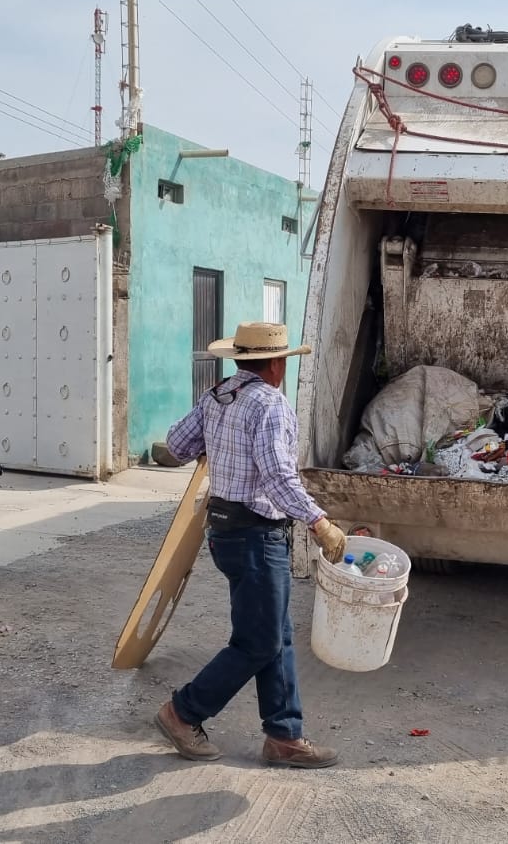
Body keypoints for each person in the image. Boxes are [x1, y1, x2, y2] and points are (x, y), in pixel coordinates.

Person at [155, 321, 349, 769]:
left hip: (225, 530)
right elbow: (279, 478)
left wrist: (216, 442)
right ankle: (182, 712)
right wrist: (319, 523)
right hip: (257, 535)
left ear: (241, 360)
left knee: (275, 636)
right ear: (278, 364)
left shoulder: (220, 394)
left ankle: (284, 735)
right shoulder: (270, 404)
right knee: (257, 643)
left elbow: (176, 445)